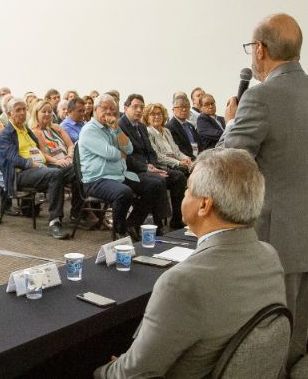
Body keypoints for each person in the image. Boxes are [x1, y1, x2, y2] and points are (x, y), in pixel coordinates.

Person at [94, 148, 286, 379]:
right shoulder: (269, 256)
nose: (183, 196)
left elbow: (132, 374)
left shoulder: (183, 282)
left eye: (187, 190)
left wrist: (100, 371)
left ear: (204, 206)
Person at [218, 13, 308, 366]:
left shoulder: (261, 97)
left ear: (260, 49)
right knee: (294, 341)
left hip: (274, 239)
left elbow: (227, 162)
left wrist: (230, 124)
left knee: (264, 344)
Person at [0, 98, 77, 239]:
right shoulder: (6, 134)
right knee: (55, 174)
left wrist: (53, 161)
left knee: (75, 170)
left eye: (24, 109)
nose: (22, 113)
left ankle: (78, 214)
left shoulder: (26, 129)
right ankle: (54, 222)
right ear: (9, 114)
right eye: (18, 110)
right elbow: (13, 159)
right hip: (21, 173)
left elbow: (38, 150)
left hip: (40, 167)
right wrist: (36, 164)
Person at [78, 94, 146, 240]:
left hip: (118, 176)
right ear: (95, 110)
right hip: (97, 180)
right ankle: (120, 232)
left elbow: (128, 149)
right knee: (123, 192)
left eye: (113, 109)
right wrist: (120, 153)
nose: (109, 112)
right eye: (105, 108)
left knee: (154, 185)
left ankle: (131, 224)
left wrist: (117, 129)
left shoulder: (112, 128)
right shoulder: (89, 130)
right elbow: (112, 154)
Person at [119, 94, 186, 231]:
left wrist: (154, 166)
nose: (139, 110)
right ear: (125, 108)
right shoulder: (121, 126)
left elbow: (151, 152)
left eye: (141, 107)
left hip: (149, 168)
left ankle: (176, 220)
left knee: (178, 177)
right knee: (157, 182)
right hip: (131, 170)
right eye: (135, 106)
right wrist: (147, 167)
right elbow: (126, 156)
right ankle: (157, 223)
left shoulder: (142, 127)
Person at [143, 102, 192, 173]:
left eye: (159, 114)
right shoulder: (147, 132)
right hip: (162, 166)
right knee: (182, 171)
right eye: (153, 114)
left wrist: (187, 159)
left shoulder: (167, 131)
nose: (157, 117)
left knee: (193, 167)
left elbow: (176, 151)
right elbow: (158, 157)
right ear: (147, 118)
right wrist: (178, 162)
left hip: (175, 164)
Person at [29, 100, 74, 167]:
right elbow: (42, 154)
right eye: (44, 112)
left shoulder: (56, 127)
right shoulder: (36, 132)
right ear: (36, 113)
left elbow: (70, 145)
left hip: (67, 160)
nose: (47, 114)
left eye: (49, 112)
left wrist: (69, 156)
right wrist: (57, 161)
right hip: (53, 164)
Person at [165, 95, 201, 159]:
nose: (184, 109)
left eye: (187, 107)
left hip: (198, 158)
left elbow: (199, 145)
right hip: (185, 160)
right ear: (173, 110)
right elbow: (179, 149)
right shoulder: (170, 127)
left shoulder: (191, 126)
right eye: (181, 107)